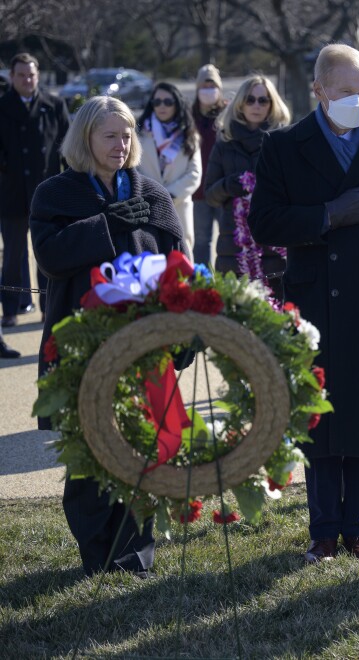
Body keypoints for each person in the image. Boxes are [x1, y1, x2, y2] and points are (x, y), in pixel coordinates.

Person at [248, 44, 359, 564]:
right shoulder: (284, 146)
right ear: (319, 91)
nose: (357, 99)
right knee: (322, 422)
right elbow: (264, 221)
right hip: (315, 301)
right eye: (346, 91)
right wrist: (328, 215)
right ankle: (323, 530)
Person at [29, 95, 188, 577]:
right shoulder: (56, 193)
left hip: (143, 346)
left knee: (141, 445)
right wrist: (103, 224)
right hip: (81, 347)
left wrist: (183, 331)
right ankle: (97, 552)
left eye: (126, 136)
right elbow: (51, 256)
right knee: (91, 449)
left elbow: (177, 265)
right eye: (109, 136)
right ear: (85, 138)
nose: (120, 145)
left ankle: (135, 551)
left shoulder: (152, 194)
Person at [0, 52, 70, 327]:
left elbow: (68, 148)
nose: (27, 80)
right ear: (12, 77)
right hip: (12, 194)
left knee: (48, 257)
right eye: (21, 75)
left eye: (31, 74)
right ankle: (10, 312)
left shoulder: (53, 105)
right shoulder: (2, 107)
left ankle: (49, 309)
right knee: (13, 257)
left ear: (38, 75)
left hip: (48, 195)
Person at [204, 74, 289, 293]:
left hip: (275, 242)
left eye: (263, 100)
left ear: (272, 104)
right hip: (233, 248)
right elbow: (210, 195)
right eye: (250, 99)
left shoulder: (284, 142)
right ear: (240, 103)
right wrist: (229, 185)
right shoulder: (225, 143)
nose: (256, 105)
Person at [136, 82, 201, 254]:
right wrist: (152, 195)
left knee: (182, 260)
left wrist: (170, 195)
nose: (162, 106)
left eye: (168, 102)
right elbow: (133, 169)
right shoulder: (139, 133)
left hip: (179, 205)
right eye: (157, 102)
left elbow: (194, 173)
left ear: (177, 104)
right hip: (147, 205)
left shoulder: (189, 134)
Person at [191, 64, 228, 266]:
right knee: (202, 241)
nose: (208, 88)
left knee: (228, 239)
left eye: (212, 84)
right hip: (198, 192)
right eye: (204, 84)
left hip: (223, 190)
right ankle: (202, 284)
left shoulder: (229, 113)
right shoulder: (189, 117)